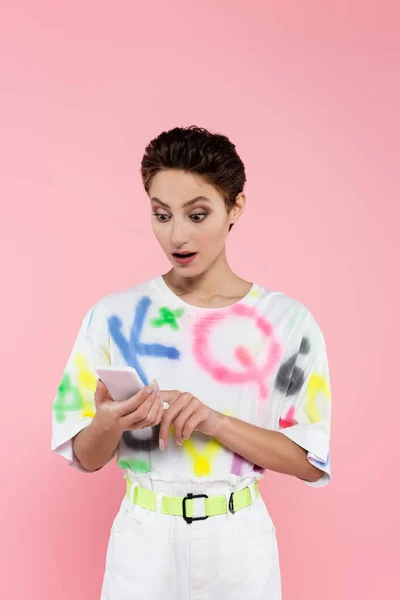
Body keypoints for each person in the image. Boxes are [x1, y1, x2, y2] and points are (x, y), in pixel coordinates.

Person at [51, 125, 332, 599]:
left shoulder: (286, 323)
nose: (177, 235)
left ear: (235, 207)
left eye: (197, 214)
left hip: (237, 540)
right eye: (161, 215)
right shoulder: (114, 317)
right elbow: (84, 456)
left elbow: (311, 462)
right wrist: (108, 423)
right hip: (143, 541)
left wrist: (214, 420)